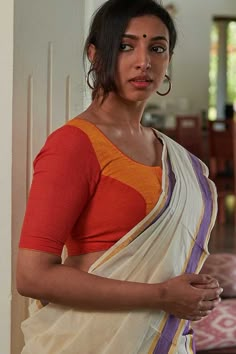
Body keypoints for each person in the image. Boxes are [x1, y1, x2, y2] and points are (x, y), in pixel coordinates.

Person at [16, 0, 222, 353]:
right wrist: (160, 295)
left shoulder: (178, 158)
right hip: (91, 340)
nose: (144, 61)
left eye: (157, 48)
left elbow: (167, 258)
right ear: (96, 55)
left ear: (168, 59)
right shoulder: (74, 144)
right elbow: (32, 275)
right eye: (126, 46)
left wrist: (193, 290)